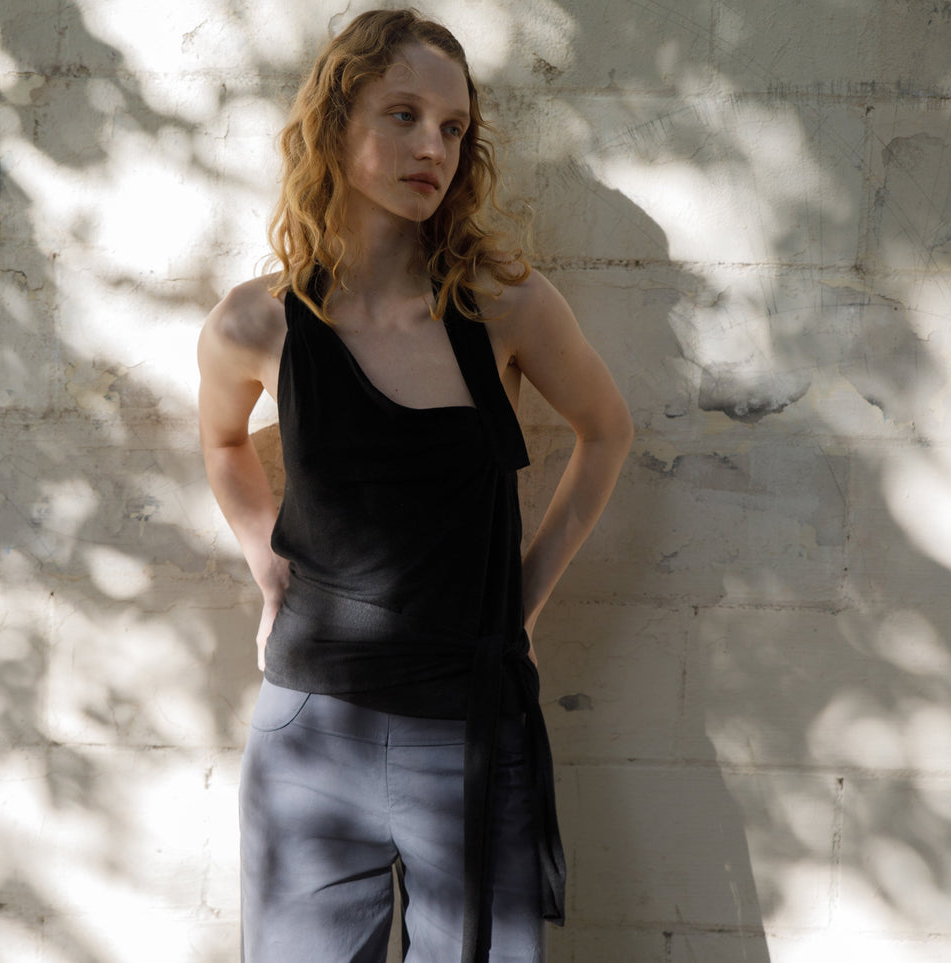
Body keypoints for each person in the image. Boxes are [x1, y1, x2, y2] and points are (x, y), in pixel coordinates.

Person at [197, 9, 632, 962]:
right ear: (335, 122)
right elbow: (223, 443)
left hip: (467, 730)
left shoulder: (505, 304)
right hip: (309, 734)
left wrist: (522, 602)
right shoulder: (255, 322)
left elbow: (606, 432)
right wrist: (268, 572)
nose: (431, 146)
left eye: (451, 127)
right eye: (402, 115)